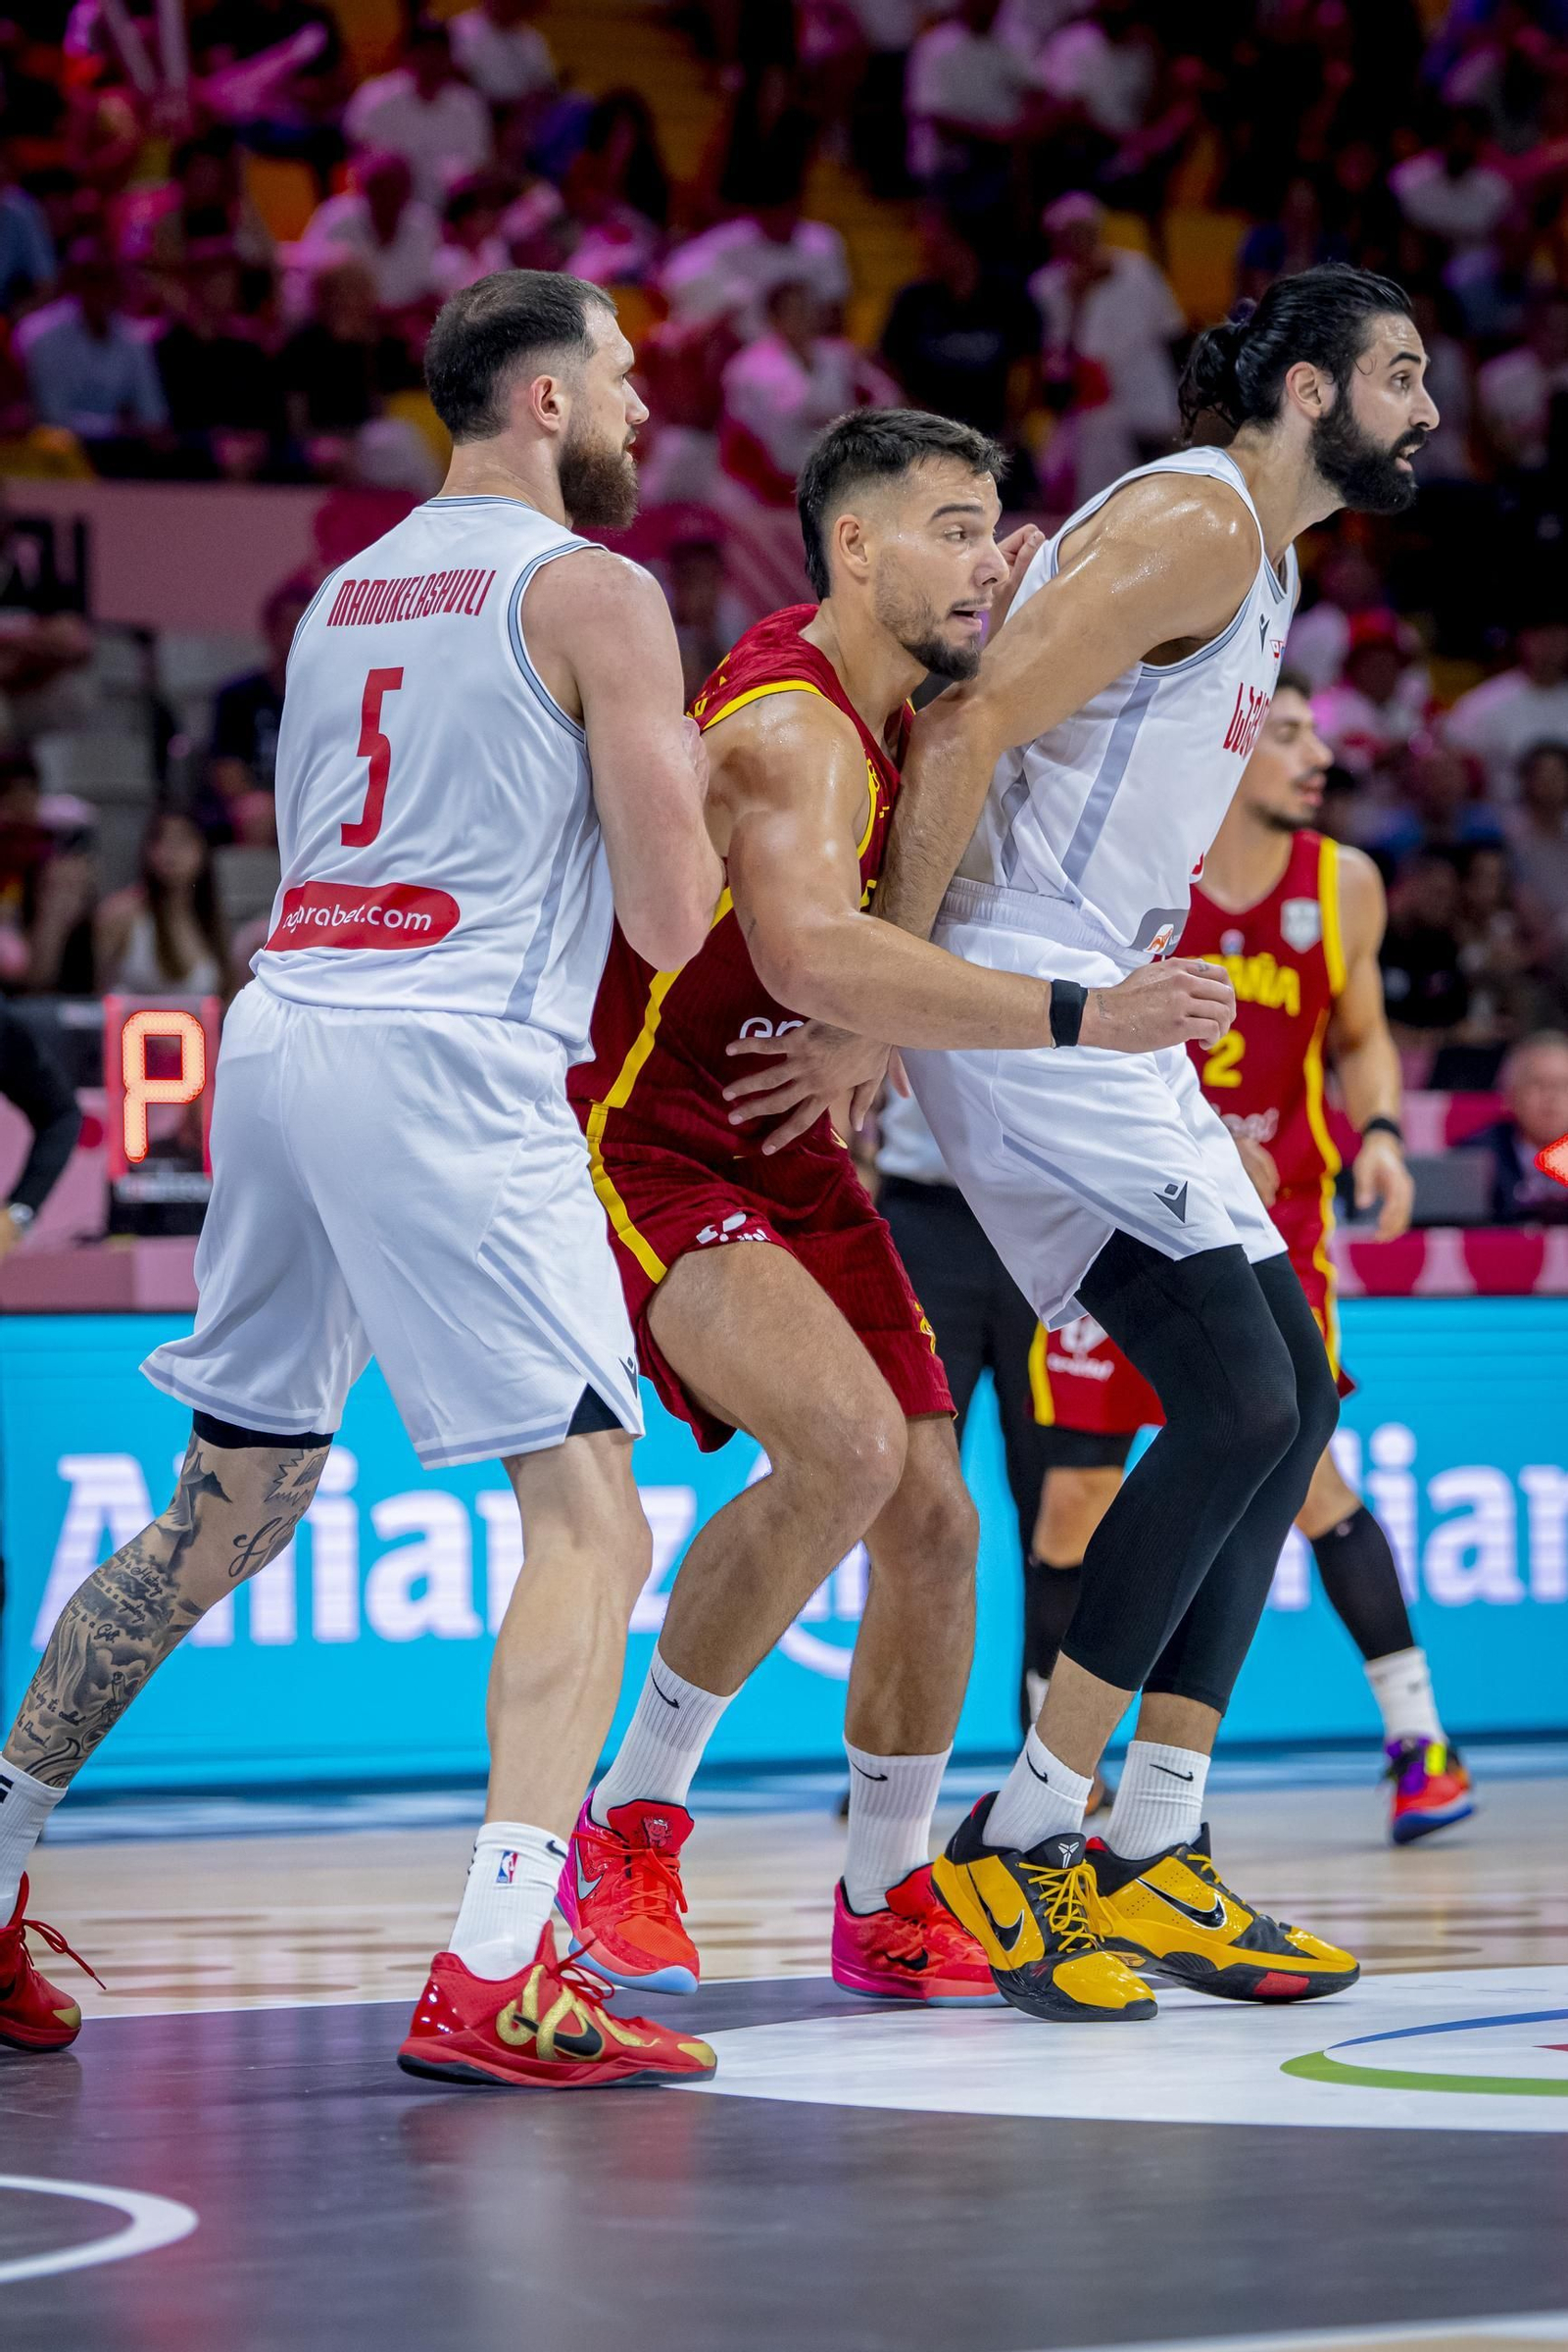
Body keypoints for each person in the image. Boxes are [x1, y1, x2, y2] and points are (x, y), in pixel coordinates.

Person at [0, 270, 726, 2094]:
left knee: (225, 1511)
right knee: (592, 1519)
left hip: (283, 1034)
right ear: (545, 401)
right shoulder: (597, 593)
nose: (645, 410)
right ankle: (499, 1969)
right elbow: (668, 916)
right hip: (450, 1055)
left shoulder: (348, 591)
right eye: (625, 381)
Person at [764, 265, 1437, 2024]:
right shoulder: (1200, 521)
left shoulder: (1260, 558)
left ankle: (1157, 1845)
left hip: (1091, 989)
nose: (1426, 411)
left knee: (1284, 1401)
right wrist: (892, 997)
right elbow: (966, 714)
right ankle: (1030, 1835)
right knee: (1240, 1397)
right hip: (1022, 995)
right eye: (1396, 374)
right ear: (1303, 388)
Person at [558, 408, 1236, 2012]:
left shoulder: (909, 709)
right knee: (851, 1454)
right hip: (656, 1137)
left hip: (792, 1151)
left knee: (935, 1521)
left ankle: (886, 1891)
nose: (987, 554)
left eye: (996, 524)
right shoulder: (793, 723)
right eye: (948, 524)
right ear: (853, 549)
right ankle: (629, 1821)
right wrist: (1086, 1014)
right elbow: (803, 958)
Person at [1023, 677, 1475, 1845]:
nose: (1316, 753)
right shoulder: (1143, 878)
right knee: (1071, 1499)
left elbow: (1363, 1040)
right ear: (1224, 753)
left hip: (1281, 1226)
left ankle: (1419, 1741)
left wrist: (1376, 1131)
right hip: (1129, 1203)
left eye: (1317, 732)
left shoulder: (1346, 884)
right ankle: (1059, 1781)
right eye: (1285, 734)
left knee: (1301, 1466)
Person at [203, 573, 317, 845]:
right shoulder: (237, 697)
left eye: (308, 627)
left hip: (315, 800)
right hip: (260, 803)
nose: (297, 637)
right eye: (290, 626)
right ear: (270, 630)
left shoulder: (333, 697)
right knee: (258, 813)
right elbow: (228, 775)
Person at [95, 811, 234, 998]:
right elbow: (92, 992)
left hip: (198, 1026)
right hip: (131, 1025)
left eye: (182, 841)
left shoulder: (213, 922)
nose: (170, 851)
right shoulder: (121, 913)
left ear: (203, 850)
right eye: (160, 840)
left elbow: (226, 995)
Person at [1472, 1030, 1568, 1224]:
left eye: (1563, 1085)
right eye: (1538, 1084)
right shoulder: (1476, 1158)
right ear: (1511, 1094)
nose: (1551, 1097)